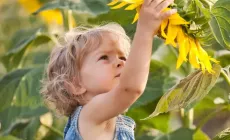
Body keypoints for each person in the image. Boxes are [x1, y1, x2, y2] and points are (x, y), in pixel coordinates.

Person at [40, 0, 176, 139]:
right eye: (104, 57)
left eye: (123, 58)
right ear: (75, 85)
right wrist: (145, 30)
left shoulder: (114, 121)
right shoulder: (89, 115)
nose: (120, 63)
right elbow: (130, 88)